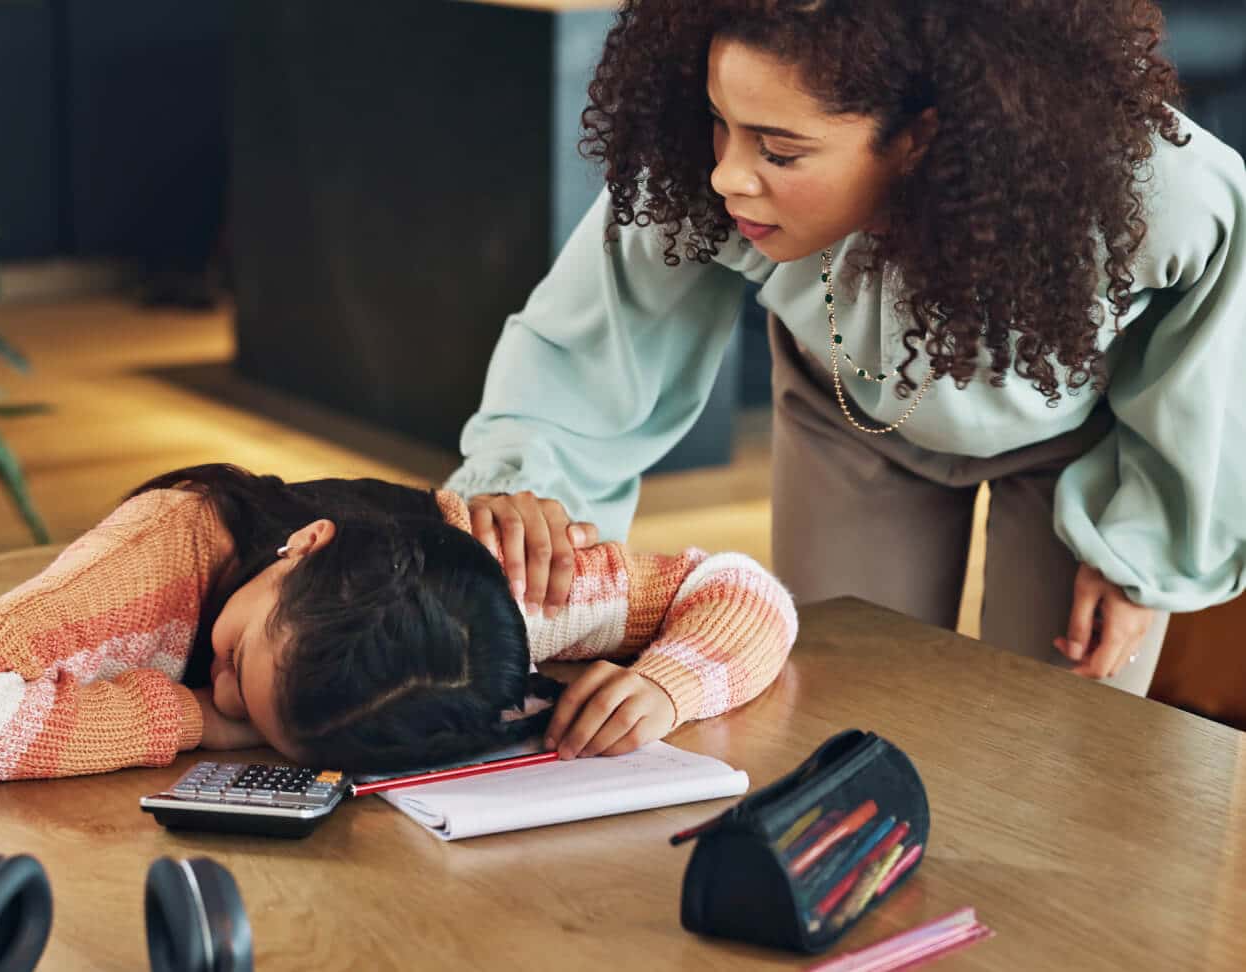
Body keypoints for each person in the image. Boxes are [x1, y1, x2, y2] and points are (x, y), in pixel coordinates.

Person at [446, 0, 1246, 696]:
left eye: (779, 151)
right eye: (718, 123)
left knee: (1057, 738)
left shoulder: (1155, 190)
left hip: (1078, 448)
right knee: (838, 711)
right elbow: (590, 352)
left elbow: (1215, 357)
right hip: (847, 410)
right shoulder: (702, 174)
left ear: (919, 137)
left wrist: (1146, 556)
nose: (727, 175)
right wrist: (527, 499)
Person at [0, 464, 795, 788]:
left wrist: (664, 685)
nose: (225, 684)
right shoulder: (155, 563)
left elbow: (741, 590)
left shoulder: (491, 597)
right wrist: (201, 717)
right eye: (236, 657)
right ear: (303, 547)